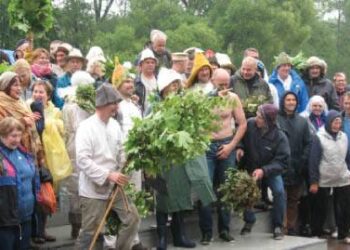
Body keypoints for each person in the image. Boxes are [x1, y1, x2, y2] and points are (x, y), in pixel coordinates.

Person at [152, 68, 215, 249]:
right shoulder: (155, 106)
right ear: (164, 88)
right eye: (172, 84)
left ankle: (180, 235)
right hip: (162, 159)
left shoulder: (184, 106)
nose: (175, 88)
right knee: (163, 197)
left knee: (180, 195)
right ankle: (162, 238)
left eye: (177, 84)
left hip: (179, 159)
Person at [75, 84, 140, 250]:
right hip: (92, 190)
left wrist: (127, 160)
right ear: (102, 104)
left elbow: (121, 150)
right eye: (114, 103)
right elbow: (82, 159)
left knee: (132, 218)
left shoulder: (114, 125)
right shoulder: (86, 127)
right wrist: (108, 174)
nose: (117, 107)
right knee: (90, 231)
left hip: (114, 187)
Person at [199, 68, 247, 244]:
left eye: (227, 84)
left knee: (227, 188)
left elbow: (242, 124)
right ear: (212, 81)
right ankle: (206, 231)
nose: (224, 88)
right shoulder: (203, 98)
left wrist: (231, 146)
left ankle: (224, 229)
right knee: (205, 188)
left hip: (227, 142)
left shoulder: (233, 98)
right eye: (221, 84)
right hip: (207, 146)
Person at [236, 104, 290, 240]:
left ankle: (278, 226)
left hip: (270, 170)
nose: (256, 119)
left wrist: (264, 171)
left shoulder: (280, 136)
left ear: (267, 121)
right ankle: (249, 219)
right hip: (250, 166)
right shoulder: (250, 124)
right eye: (257, 115)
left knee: (279, 191)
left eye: (260, 117)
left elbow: (282, 161)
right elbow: (239, 136)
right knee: (243, 189)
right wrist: (239, 147)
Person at [61, 71, 95, 239]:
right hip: (77, 144)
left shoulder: (75, 102)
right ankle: (79, 224)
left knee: (78, 186)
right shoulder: (73, 103)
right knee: (77, 186)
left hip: (76, 144)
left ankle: (80, 224)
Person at [308, 110, 350, 243]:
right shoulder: (318, 137)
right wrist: (314, 181)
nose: (336, 125)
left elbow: (348, 157)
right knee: (320, 207)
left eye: (338, 122)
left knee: (344, 208)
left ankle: (343, 233)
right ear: (328, 122)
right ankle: (317, 232)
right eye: (334, 122)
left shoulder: (344, 136)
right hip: (324, 179)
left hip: (343, 177)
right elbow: (313, 160)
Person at [0, 117, 39, 250]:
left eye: (19, 135)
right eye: (13, 136)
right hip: (5, 220)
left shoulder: (24, 153)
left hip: (26, 216)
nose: (17, 139)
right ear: (2, 135)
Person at [277, 92, 312, 235]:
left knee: (293, 199)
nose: (291, 102)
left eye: (293, 100)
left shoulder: (303, 121)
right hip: (280, 165)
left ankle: (290, 227)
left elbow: (308, 143)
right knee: (281, 197)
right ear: (283, 102)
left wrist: (302, 161)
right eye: (288, 100)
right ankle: (280, 225)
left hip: (297, 166)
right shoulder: (276, 119)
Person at [134, 48, 158, 115]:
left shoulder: (159, 80)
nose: (150, 65)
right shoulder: (135, 82)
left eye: (152, 62)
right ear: (141, 65)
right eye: (147, 62)